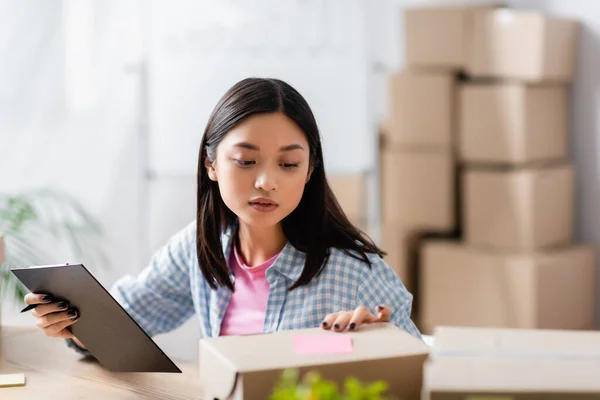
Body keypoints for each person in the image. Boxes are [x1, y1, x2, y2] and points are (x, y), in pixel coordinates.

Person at [23, 78, 421, 356]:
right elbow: (125, 319)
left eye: (288, 164)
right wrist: (72, 324)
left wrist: (382, 345)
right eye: (246, 161)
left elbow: (423, 372)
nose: (266, 182)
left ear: (310, 171)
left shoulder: (356, 274)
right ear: (211, 164)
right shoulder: (201, 247)